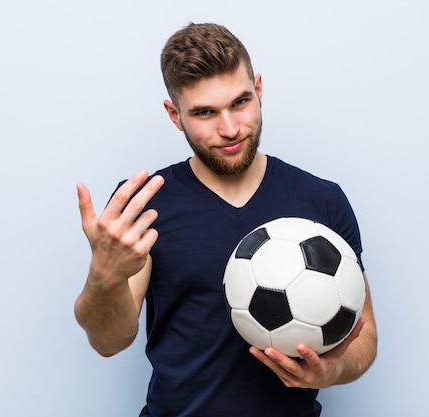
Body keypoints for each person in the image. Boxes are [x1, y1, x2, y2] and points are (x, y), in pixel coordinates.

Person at [74, 22, 377, 417]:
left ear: (259, 90)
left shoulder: (322, 200)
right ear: (174, 114)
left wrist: (332, 370)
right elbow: (108, 341)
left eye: (240, 102)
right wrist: (104, 275)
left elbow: (364, 335)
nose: (230, 128)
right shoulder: (142, 206)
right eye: (204, 112)